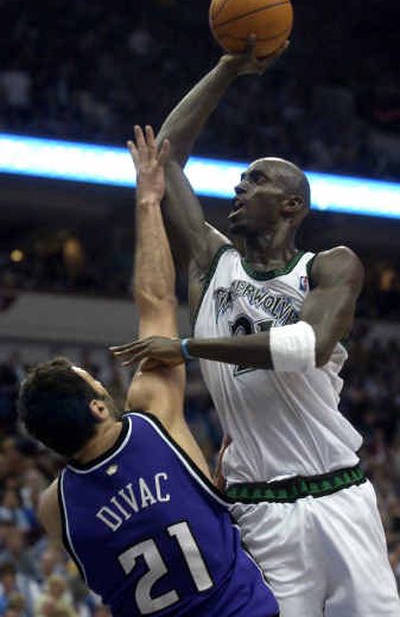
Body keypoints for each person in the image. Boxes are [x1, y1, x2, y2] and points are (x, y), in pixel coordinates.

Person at [111, 44, 400, 617]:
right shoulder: (209, 261)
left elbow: (305, 347)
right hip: (259, 507)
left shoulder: (329, 266)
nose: (239, 188)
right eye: (240, 179)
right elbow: (167, 160)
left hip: (337, 493)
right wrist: (225, 70)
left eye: (256, 181)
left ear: (292, 205)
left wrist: (188, 346)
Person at [17, 126, 279, 617]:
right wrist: (147, 200)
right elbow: (157, 302)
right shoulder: (151, 423)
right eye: (95, 380)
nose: (103, 382)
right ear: (98, 405)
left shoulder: (56, 508)